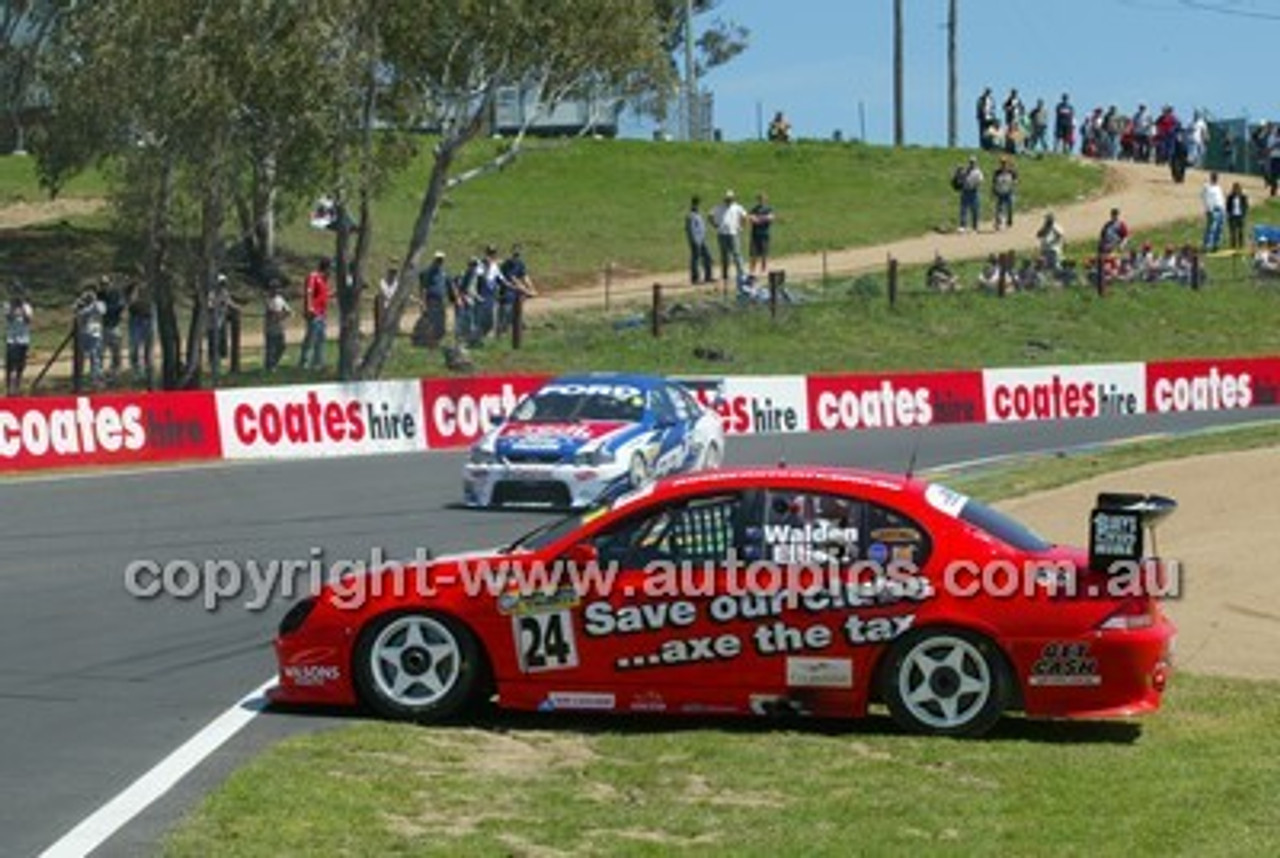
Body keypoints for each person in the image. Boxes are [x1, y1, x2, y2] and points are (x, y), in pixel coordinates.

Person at [710, 190, 748, 285]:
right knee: (724, 255)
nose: (729, 200)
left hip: (733, 233)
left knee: (736, 254)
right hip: (722, 233)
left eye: (730, 199)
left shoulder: (737, 207)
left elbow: (745, 216)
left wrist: (741, 227)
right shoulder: (719, 207)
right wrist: (715, 225)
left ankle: (742, 273)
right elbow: (710, 215)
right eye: (727, 199)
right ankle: (725, 275)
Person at [298, 258, 330, 370]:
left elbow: (324, 296)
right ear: (326, 268)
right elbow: (309, 292)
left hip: (322, 314)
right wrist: (309, 307)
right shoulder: (314, 276)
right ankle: (304, 363)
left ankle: (318, 363)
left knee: (321, 339)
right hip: (314, 313)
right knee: (311, 338)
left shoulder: (324, 280)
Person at [498, 244, 536, 335]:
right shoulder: (508, 264)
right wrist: (526, 290)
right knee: (505, 314)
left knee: (517, 312)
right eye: (515, 254)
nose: (517, 256)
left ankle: (518, 328)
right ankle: (502, 332)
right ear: (512, 253)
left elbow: (525, 277)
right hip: (506, 293)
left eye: (518, 254)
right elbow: (512, 279)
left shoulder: (520, 263)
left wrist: (532, 288)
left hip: (516, 293)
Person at [74, 287, 106, 387]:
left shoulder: (99, 304)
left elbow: (101, 311)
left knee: (95, 357)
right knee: (81, 357)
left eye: (91, 293)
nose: (89, 295)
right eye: (87, 293)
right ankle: (79, 379)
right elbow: (77, 313)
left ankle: (95, 379)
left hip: (95, 334)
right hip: (83, 334)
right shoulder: (80, 303)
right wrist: (81, 302)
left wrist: (94, 301)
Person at [5, 288, 33, 396]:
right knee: (11, 365)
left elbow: (28, 320)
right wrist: (13, 308)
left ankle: (17, 386)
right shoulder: (8, 306)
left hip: (24, 340)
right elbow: (9, 318)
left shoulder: (27, 307)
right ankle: (10, 388)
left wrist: (22, 307)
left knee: (21, 365)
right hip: (12, 340)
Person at [419, 251, 449, 346]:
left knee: (441, 319)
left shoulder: (443, 272)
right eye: (438, 260)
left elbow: (446, 285)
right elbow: (424, 288)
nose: (439, 262)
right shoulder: (429, 272)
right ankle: (430, 341)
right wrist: (423, 302)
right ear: (434, 260)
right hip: (431, 299)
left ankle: (438, 340)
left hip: (441, 300)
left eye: (441, 260)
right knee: (432, 320)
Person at [100, 276, 125, 380]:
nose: (104, 286)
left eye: (106, 284)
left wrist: (108, 309)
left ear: (110, 283)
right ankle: (99, 371)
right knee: (100, 350)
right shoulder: (100, 295)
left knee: (116, 350)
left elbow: (120, 306)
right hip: (103, 326)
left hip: (115, 325)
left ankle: (116, 370)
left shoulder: (116, 293)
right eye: (102, 284)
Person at [126, 279, 152, 379]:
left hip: (147, 318)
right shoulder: (131, 287)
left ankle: (148, 370)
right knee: (135, 346)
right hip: (135, 319)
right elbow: (131, 302)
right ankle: (136, 371)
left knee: (148, 347)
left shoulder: (151, 287)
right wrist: (135, 288)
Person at [263, 279, 291, 372]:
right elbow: (272, 312)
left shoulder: (280, 299)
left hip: (280, 327)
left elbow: (288, 311)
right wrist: (281, 314)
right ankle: (270, 367)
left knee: (282, 346)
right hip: (270, 328)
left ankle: (274, 362)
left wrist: (282, 315)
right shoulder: (268, 299)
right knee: (270, 348)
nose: (275, 290)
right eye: (273, 288)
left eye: (277, 288)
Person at [685, 196, 713, 284]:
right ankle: (695, 278)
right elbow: (691, 230)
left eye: (698, 204)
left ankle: (708, 277)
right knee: (696, 259)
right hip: (696, 241)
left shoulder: (698, 215)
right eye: (696, 205)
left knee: (708, 257)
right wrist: (695, 241)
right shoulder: (691, 216)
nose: (698, 207)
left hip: (702, 240)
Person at [954, 156, 983, 233]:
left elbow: (980, 181)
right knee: (963, 209)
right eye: (970, 162)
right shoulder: (965, 170)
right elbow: (959, 178)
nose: (972, 163)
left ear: (976, 163)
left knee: (975, 210)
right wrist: (958, 171)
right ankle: (963, 226)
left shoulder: (978, 171)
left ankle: (975, 227)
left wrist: (974, 185)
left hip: (974, 192)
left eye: (973, 162)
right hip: (965, 191)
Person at [748, 192, 775, 275]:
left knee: (764, 253)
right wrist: (763, 218)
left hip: (764, 234)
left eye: (763, 199)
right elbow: (751, 219)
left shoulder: (769, 209)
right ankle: (752, 270)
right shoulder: (754, 209)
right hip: (755, 234)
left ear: (766, 200)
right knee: (753, 254)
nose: (761, 201)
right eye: (760, 199)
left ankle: (763, 269)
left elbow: (770, 218)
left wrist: (759, 218)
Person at [1201, 172, 1226, 252]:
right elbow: (1205, 198)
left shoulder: (1218, 187)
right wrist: (1209, 209)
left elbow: (1221, 198)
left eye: (1216, 177)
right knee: (1211, 228)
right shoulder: (1207, 187)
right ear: (1211, 177)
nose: (1215, 178)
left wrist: (1224, 208)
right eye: (1214, 177)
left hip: (1221, 209)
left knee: (1219, 228)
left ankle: (1216, 245)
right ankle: (1207, 245)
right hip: (1213, 210)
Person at [991, 157, 1018, 230]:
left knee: (1010, 208)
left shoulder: (1011, 171)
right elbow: (994, 182)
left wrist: (1013, 187)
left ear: (1007, 163)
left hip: (1009, 192)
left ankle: (1009, 222)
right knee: (999, 208)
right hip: (1000, 192)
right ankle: (998, 223)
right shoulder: (997, 172)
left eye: (1005, 163)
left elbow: (1015, 181)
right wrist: (993, 191)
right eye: (1002, 163)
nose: (1003, 164)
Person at [1225, 182, 1249, 252]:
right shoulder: (1230, 197)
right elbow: (1227, 206)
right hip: (1232, 217)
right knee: (1233, 233)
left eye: (1237, 189)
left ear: (1240, 189)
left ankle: (1241, 247)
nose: (1236, 190)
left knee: (1241, 232)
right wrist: (1229, 214)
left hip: (1240, 217)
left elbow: (1246, 206)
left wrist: (1244, 213)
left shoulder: (1243, 197)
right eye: (1235, 189)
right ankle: (1233, 247)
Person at [377, 261, 399, 334]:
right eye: (392, 272)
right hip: (383, 306)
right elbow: (385, 295)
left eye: (394, 273)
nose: (393, 274)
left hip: (393, 305)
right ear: (388, 272)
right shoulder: (382, 282)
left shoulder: (396, 283)